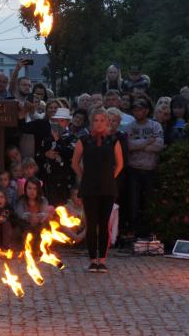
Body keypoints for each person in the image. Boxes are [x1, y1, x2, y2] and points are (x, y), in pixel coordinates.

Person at [72, 108, 123, 273]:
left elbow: (120, 164)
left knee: (104, 224)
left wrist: (110, 177)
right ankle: (93, 259)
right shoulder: (84, 140)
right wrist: (84, 176)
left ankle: (102, 260)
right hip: (89, 187)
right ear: (91, 122)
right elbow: (75, 163)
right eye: (96, 120)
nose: (99, 123)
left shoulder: (114, 140)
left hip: (107, 187)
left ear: (107, 122)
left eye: (102, 120)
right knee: (91, 224)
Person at [126, 99, 164, 239]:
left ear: (147, 110)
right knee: (134, 202)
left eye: (140, 109)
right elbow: (129, 145)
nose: (137, 112)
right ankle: (135, 232)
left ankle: (149, 232)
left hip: (150, 169)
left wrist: (139, 145)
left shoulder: (155, 126)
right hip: (133, 169)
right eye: (135, 109)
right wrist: (147, 141)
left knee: (149, 201)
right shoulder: (130, 126)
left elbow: (159, 145)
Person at [37, 108, 76, 206]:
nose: (58, 123)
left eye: (62, 120)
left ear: (68, 122)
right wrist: (45, 154)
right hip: (49, 179)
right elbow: (38, 155)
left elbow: (70, 154)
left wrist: (58, 140)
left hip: (65, 179)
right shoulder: (46, 138)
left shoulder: (72, 138)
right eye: (56, 120)